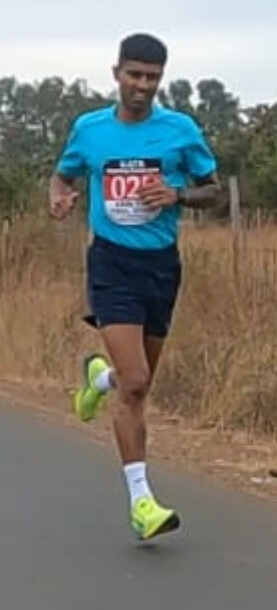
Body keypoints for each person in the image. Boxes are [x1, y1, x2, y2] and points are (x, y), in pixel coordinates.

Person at [49, 33, 220, 540]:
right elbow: (63, 176)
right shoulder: (91, 130)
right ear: (117, 73)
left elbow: (214, 190)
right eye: (134, 75)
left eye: (152, 77)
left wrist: (177, 195)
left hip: (161, 266)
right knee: (138, 382)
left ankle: (99, 380)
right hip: (111, 263)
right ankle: (142, 503)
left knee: (133, 382)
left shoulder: (180, 130)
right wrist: (59, 199)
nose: (142, 86)